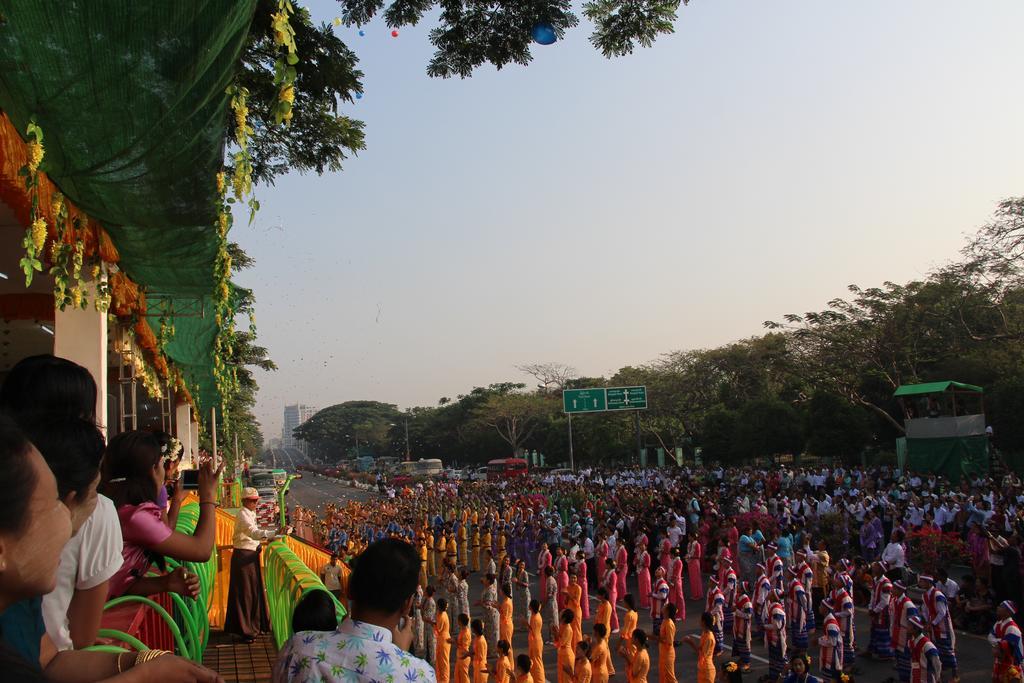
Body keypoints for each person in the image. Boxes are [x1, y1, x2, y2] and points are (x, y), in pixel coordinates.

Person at [0, 415, 223, 682]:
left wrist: (141, 661)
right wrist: (144, 674)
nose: (71, 525)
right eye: (53, 505)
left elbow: (51, 662)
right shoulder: (132, 515)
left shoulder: (23, 607)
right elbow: (200, 549)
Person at [0, 355, 123, 653]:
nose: (64, 523)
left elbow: (47, 658)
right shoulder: (95, 510)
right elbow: (75, 641)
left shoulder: (26, 604)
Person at [274, 538, 435, 683]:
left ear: (350, 589)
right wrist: (399, 655)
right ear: (407, 604)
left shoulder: (296, 648)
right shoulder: (420, 675)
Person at [99, 432, 221, 600]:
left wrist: (165, 583)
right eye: (162, 464)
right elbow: (201, 550)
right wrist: (208, 496)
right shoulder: (134, 516)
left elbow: (117, 580)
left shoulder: (118, 506)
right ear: (153, 470)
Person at [225, 486, 278, 642]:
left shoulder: (249, 513)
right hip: (244, 557)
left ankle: (253, 626)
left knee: (252, 591)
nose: (255, 503)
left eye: (256, 500)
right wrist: (273, 533)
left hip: (249, 555)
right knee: (246, 594)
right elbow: (253, 533)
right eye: (253, 501)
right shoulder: (243, 515)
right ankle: (246, 630)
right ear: (245, 501)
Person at [989, 600, 1023, 683]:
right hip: (1002, 660)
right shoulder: (998, 623)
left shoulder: (1012, 628)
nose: (998, 607)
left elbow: (1008, 647)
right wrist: (1001, 641)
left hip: (1014, 663)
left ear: (1008, 612)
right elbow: (990, 637)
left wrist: (998, 643)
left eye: (1001, 606)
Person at [905, 616, 941, 683]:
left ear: (916, 628)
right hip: (914, 676)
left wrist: (937, 678)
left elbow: (937, 664)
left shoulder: (928, 646)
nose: (907, 627)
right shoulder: (910, 642)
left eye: (909, 625)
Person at [682, 612, 716, 683]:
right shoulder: (704, 633)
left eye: (700, 619)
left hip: (707, 670)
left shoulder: (709, 638)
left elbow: (701, 653)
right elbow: (700, 648)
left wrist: (690, 642)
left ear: (703, 622)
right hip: (703, 668)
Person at [658, 603, 678, 683]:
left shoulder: (669, 623)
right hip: (663, 653)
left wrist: (657, 639)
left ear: (667, 611)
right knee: (663, 676)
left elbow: (669, 642)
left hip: (667, 655)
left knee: (670, 678)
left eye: (664, 606)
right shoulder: (665, 621)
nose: (662, 607)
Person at [527, 600, 545, 683]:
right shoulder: (535, 614)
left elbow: (532, 630)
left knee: (537, 663)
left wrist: (525, 623)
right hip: (535, 640)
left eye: (530, 605)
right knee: (534, 661)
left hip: (536, 642)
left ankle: (540, 680)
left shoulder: (535, 618)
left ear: (532, 607)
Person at [558, 608, 576, 683]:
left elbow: (561, 642)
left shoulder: (568, 629)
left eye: (562, 613)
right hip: (562, 653)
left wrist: (556, 633)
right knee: (561, 677)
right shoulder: (562, 625)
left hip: (567, 656)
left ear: (564, 618)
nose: (560, 613)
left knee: (567, 679)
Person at [436, 597, 451, 683]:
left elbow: (439, 628)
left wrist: (431, 622)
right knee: (441, 661)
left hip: (443, 640)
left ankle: (444, 681)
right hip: (443, 638)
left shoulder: (441, 615)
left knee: (443, 663)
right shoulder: (442, 613)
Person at [471, 618, 489, 683]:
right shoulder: (477, 638)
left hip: (481, 667)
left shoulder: (480, 641)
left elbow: (480, 656)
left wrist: (470, 654)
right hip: (477, 666)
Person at [456, 613, 472, 683]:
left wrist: (455, 642)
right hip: (460, 656)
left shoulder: (465, 633)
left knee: (464, 678)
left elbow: (464, 649)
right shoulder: (463, 630)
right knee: (458, 675)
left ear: (460, 622)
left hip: (463, 658)